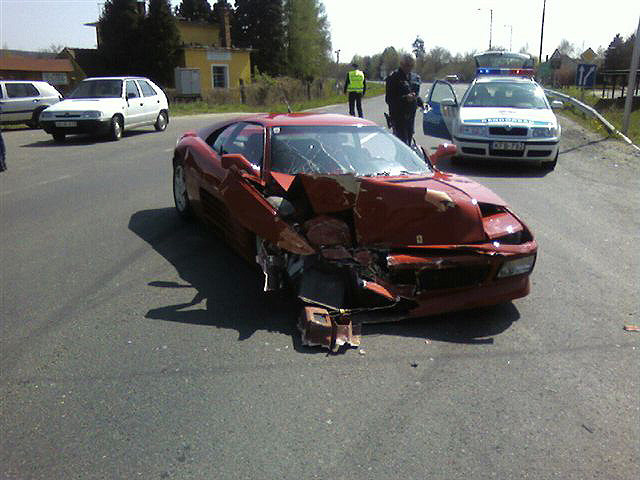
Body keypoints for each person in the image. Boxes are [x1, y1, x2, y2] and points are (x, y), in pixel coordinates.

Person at [385, 53, 422, 145]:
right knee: (401, 145)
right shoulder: (393, 78)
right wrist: (405, 98)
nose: (408, 68)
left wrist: (422, 103)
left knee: (408, 144)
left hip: (410, 117)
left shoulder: (415, 78)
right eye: (406, 65)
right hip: (398, 118)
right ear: (401, 64)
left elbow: (416, 96)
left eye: (411, 65)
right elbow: (389, 99)